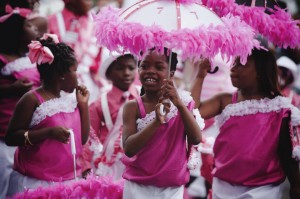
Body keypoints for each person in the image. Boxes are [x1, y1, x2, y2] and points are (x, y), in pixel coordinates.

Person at [190, 48, 300, 199]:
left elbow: (287, 154)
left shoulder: (279, 108)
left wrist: (296, 185)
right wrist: (200, 76)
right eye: (234, 63)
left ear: (261, 71)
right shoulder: (226, 100)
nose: (233, 68)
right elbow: (193, 112)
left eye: (241, 64)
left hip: (262, 189)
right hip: (223, 186)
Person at [5, 33, 90, 196]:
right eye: (75, 71)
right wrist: (47, 133)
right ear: (61, 75)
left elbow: (82, 140)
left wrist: (83, 105)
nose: (78, 76)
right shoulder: (31, 99)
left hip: (68, 182)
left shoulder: (72, 100)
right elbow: (11, 137)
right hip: (36, 182)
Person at [121, 48, 203, 198]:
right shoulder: (132, 107)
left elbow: (196, 138)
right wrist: (156, 122)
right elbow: (129, 148)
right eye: (144, 66)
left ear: (171, 74)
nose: (150, 71)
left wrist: (178, 103)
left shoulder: (184, 104)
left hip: (171, 190)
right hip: (138, 188)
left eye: (159, 67)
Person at [0, 2, 40, 198]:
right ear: (16, 32)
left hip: (26, 129)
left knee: (16, 176)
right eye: (29, 26)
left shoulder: (32, 60)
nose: (36, 29)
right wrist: (10, 89)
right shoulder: (2, 59)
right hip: (4, 129)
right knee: (3, 173)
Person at [80, 51, 140, 181]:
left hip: (137, 165)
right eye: (120, 68)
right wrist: (86, 169)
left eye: (131, 68)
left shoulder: (143, 97)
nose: (126, 73)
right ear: (108, 74)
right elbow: (89, 139)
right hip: (108, 168)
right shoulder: (99, 104)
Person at [48, 0, 104, 103]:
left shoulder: (94, 21)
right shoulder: (52, 21)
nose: (91, 2)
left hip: (90, 85)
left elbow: (99, 58)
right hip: (61, 85)